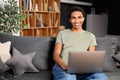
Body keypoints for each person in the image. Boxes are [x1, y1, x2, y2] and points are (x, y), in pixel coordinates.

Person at [52, 6, 108, 80]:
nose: (77, 21)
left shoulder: (90, 36)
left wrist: (88, 68)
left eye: (79, 17)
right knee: (68, 78)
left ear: (83, 18)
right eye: (73, 18)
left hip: (83, 70)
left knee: (101, 77)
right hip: (64, 67)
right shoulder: (62, 34)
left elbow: (91, 57)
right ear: (70, 19)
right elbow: (56, 55)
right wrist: (63, 66)